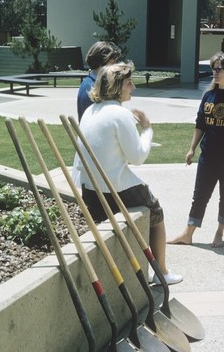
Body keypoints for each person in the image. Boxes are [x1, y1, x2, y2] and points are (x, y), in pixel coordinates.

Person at [72, 61, 183, 285]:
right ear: (116, 86)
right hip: (114, 188)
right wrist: (147, 129)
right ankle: (161, 271)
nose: (133, 88)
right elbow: (138, 157)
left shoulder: (90, 111)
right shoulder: (119, 114)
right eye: (129, 83)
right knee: (156, 210)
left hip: (90, 190)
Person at [167, 52, 224, 248]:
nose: (214, 72)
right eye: (213, 68)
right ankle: (188, 234)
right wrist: (192, 149)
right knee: (200, 196)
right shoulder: (208, 95)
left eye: (218, 69)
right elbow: (200, 125)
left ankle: (219, 233)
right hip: (208, 156)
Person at [77, 41, 121, 121]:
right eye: (113, 62)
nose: (115, 67)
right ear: (101, 61)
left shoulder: (98, 83)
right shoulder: (89, 87)